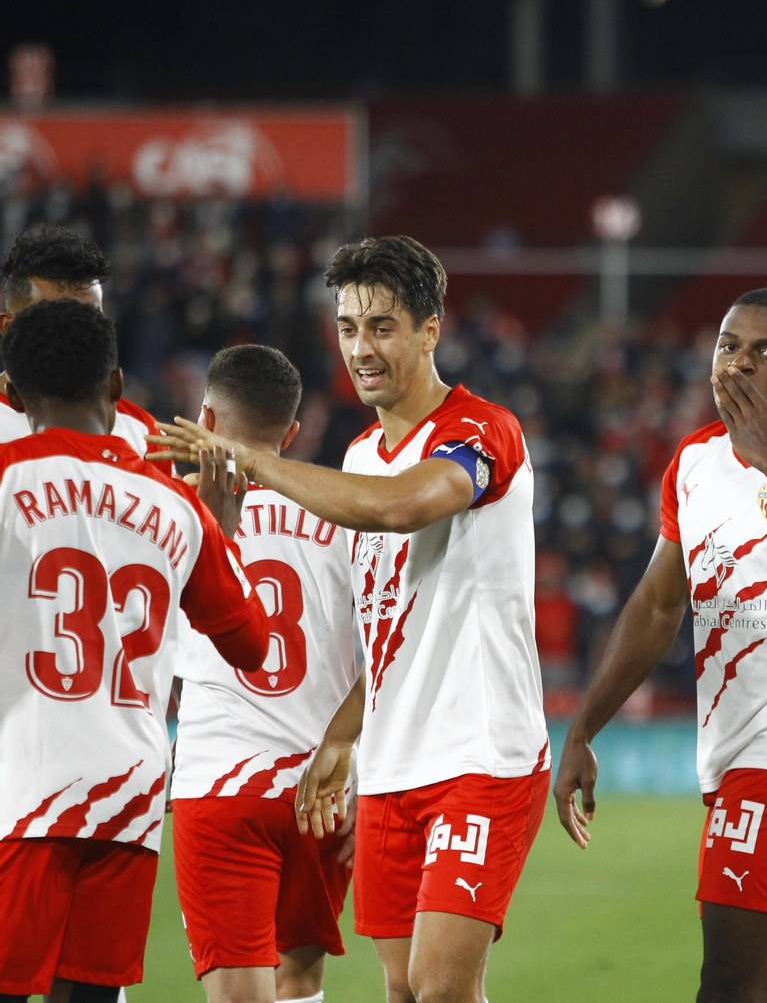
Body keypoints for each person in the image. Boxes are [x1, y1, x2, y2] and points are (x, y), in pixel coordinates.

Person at [151, 235, 548, 1003]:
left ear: (431, 329)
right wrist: (341, 735)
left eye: (382, 327)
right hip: (393, 766)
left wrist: (246, 457)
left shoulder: (482, 431)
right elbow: (387, 624)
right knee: (401, 990)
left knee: (439, 989)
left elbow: (406, 507)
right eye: (348, 327)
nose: (360, 348)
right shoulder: (361, 455)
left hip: (482, 752)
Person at [554, 287, 767, 1003]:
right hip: (745, 756)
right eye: (728, 346)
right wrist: (584, 728)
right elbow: (657, 603)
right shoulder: (695, 461)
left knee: (728, 990)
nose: (738, 365)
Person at [0, 299, 269, 1003]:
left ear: (13, 394)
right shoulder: (178, 506)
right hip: (128, 795)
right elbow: (250, 642)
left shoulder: (4, 478)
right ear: (117, 387)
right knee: (87, 997)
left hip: (21, 789)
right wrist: (221, 528)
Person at [169, 346, 360, 1003]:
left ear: (205, 420)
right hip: (321, 790)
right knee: (301, 980)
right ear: (292, 434)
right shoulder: (347, 516)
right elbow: (384, 656)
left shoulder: (172, 514)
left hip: (220, 782)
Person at [0, 227, 160, 453]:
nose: (75, 332)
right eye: (54, 319)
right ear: (9, 327)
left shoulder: (144, 434)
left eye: (90, 317)